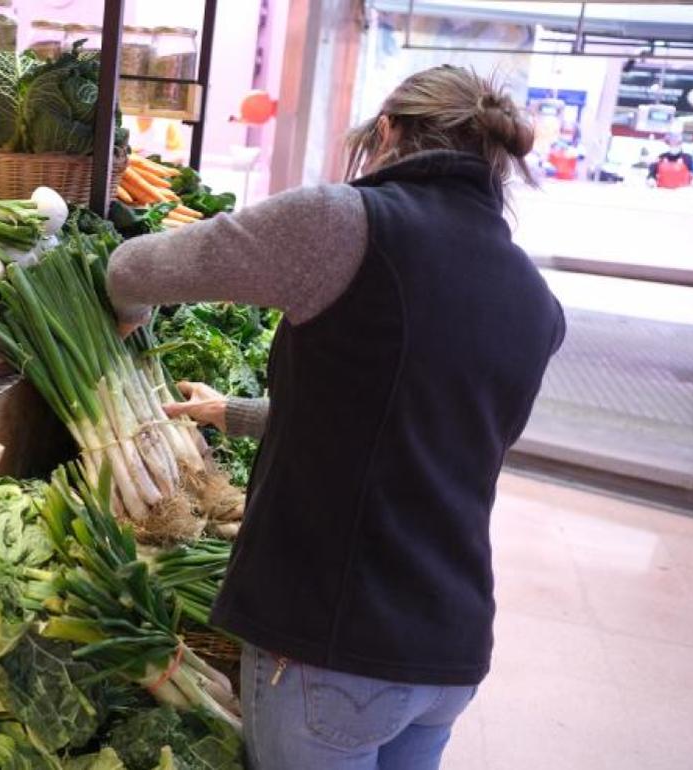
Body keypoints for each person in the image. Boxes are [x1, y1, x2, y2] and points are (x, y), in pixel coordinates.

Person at [106, 65, 565, 770]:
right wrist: (235, 414)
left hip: (333, 645)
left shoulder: (344, 222)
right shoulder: (535, 299)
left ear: (386, 133)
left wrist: (131, 310)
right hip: (451, 646)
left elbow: (134, 269)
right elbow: (420, 428)